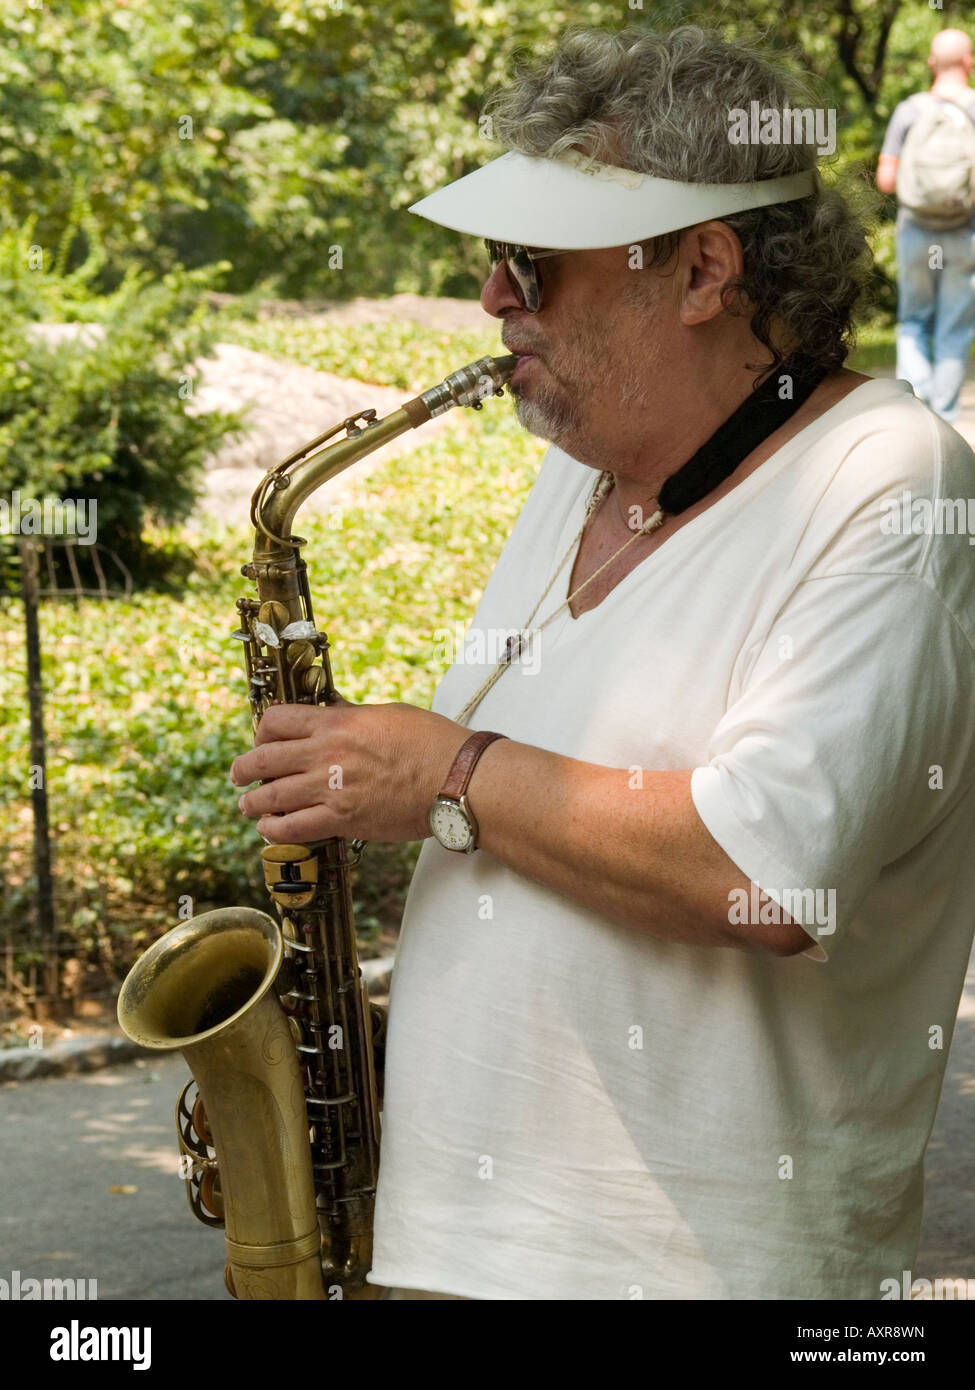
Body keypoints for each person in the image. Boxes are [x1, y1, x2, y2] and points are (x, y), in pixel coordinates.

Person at [230, 26, 975, 1299]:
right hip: (456, 1244)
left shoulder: (889, 481)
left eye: (531, 261)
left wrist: (446, 771)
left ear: (702, 269)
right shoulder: (579, 477)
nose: (493, 299)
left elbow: (766, 871)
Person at [877, 27, 975, 423]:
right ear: (969, 61)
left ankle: (915, 418)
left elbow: (886, 180)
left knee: (914, 322)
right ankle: (946, 419)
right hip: (967, 234)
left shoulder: (909, 110)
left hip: (917, 232)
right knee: (954, 328)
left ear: (931, 63)